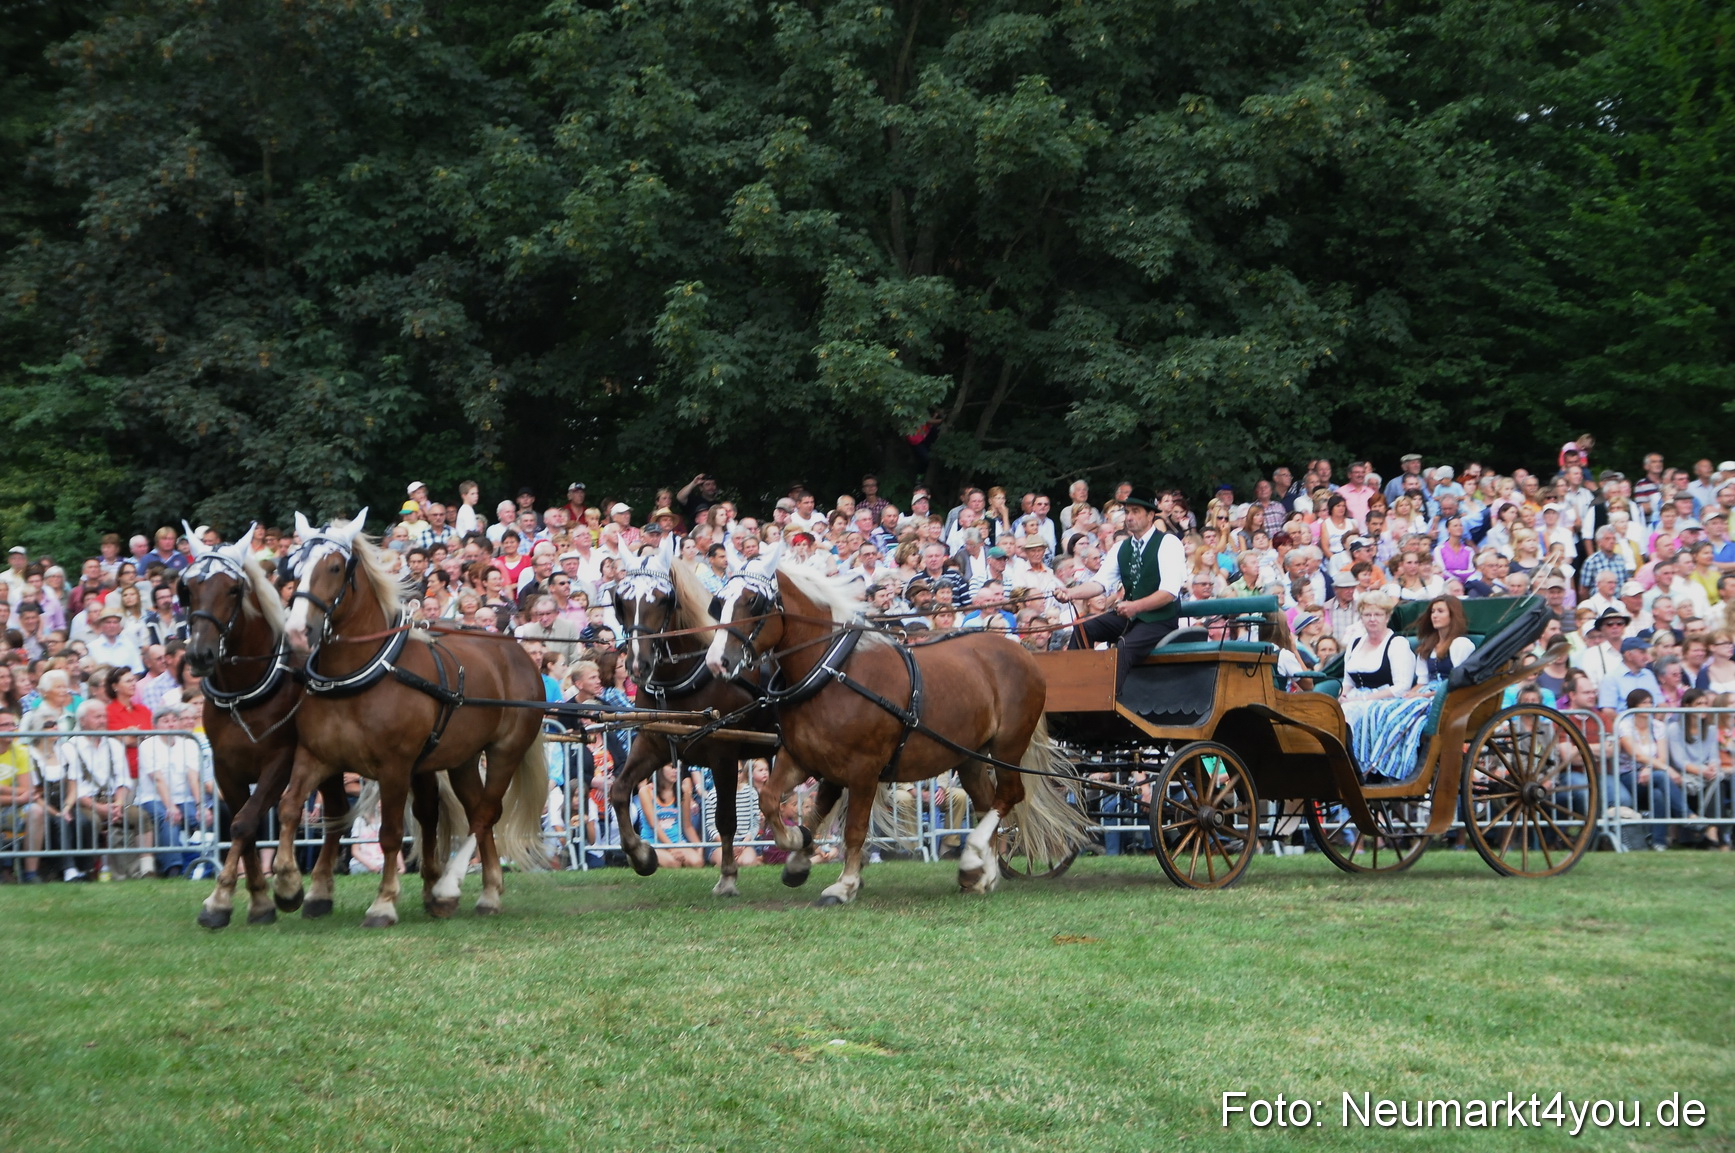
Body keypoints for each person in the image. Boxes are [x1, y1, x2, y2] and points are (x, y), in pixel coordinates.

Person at [1056, 495, 1187, 693]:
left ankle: (1107, 702)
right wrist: (1070, 592)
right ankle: (1074, 692)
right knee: (1083, 629)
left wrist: (1135, 606)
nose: (1129, 517)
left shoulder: (1168, 543)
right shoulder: (1121, 548)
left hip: (1160, 621)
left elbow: (1169, 593)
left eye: (1136, 512)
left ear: (1151, 515)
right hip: (1130, 617)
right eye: (1127, 512)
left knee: (1124, 648)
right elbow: (1100, 583)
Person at [1338, 591, 1430, 782]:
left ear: (1387, 617)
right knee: (1334, 712)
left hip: (1385, 698)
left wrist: (1362, 699)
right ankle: (1338, 768)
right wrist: (1343, 695)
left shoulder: (1397, 644)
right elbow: (1348, 681)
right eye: (1367, 615)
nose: (1372, 619)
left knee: (1359, 714)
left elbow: (1401, 687)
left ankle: (1366, 770)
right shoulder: (1355, 643)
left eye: (1378, 615)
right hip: (1355, 696)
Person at [1614, 689, 1692, 849]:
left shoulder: (1658, 726)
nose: (1649, 706)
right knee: (1663, 777)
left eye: (1651, 702)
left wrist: (1650, 767)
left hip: (1652, 773)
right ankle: (1687, 815)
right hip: (1629, 775)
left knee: (1657, 793)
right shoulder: (1624, 725)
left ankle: (1658, 842)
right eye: (1644, 703)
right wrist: (1668, 770)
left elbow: (1662, 757)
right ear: (1634, 706)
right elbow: (1637, 755)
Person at [0, 709, 45, 882]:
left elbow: (28, 789)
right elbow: (22, 793)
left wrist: (3, 790)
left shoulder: (20, 751)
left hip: (12, 806)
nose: (11, 728)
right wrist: (17, 796)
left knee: (37, 812)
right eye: (5, 725)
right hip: (12, 803)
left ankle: (30, 874)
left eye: (13, 725)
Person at [1412, 595, 1474, 691]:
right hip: (1425, 693)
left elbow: (1459, 685)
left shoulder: (1461, 644)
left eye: (1440, 611)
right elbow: (1422, 682)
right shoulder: (1427, 645)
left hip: (1448, 698)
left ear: (1452, 615)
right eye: (1433, 611)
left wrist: (1423, 695)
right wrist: (1407, 696)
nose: (1434, 615)